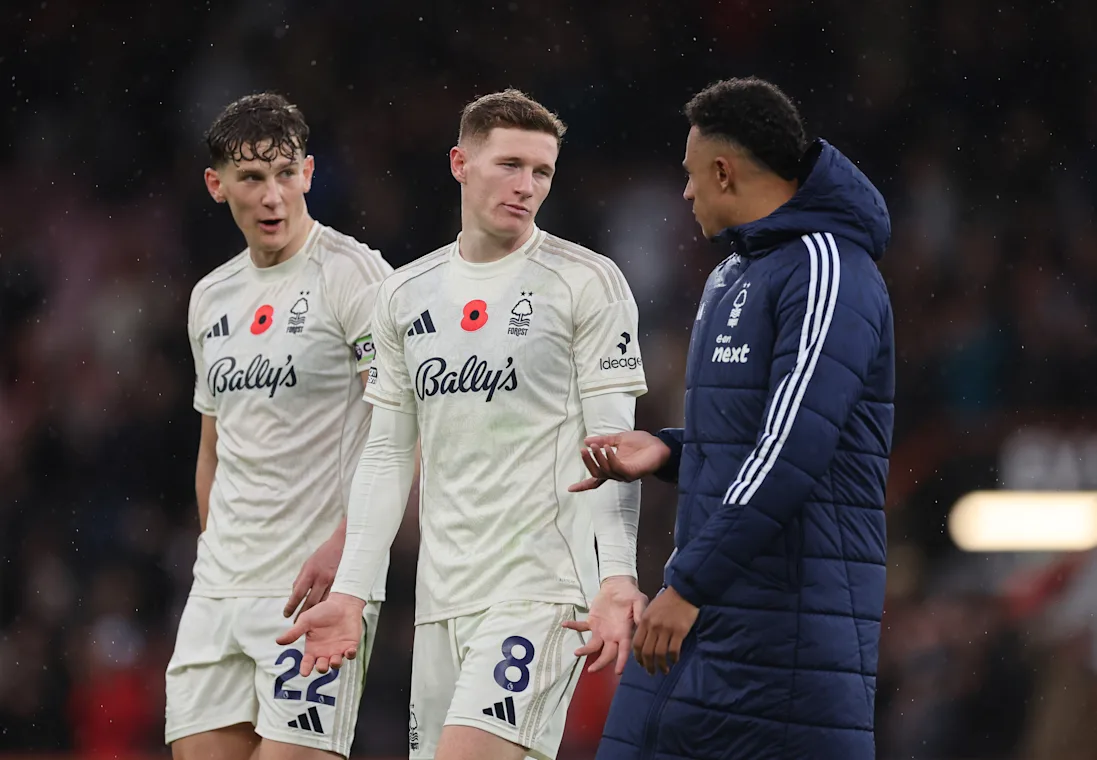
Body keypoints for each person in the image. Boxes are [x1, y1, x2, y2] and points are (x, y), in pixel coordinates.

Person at [277, 89, 650, 760]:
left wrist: (616, 575)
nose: (527, 185)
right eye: (510, 164)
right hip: (440, 604)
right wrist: (353, 594)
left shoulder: (586, 283)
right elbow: (388, 454)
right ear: (460, 163)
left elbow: (614, 451)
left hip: (539, 594)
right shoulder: (403, 295)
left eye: (541, 171)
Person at [571, 77, 895, 760]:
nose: (684, 194)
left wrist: (689, 584)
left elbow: (794, 449)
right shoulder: (734, 275)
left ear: (723, 170)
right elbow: (756, 436)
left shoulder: (827, 267)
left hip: (789, 632)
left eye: (690, 176)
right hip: (717, 616)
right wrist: (666, 451)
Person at [165, 92, 394, 760]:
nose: (271, 197)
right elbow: (214, 447)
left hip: (313, 593)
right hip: (219, 593)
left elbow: (398, 428)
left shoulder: (354, 278)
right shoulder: (210, 297)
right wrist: (217, 556)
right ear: (217, 185)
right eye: (251, 178)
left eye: (284, 174)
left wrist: (350, 551)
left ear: (309, 173)